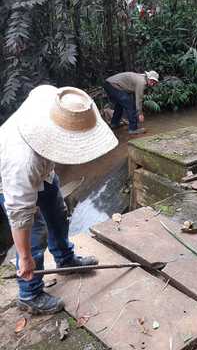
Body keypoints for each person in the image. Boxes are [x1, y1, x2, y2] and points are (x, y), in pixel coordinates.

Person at [0, 85, 118, 314]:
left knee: (58, 213)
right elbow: (19, 215)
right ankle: (29, 293)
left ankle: (65, 260)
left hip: (44, 170)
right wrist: (24, 258)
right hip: (7, 179)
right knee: (35, 232)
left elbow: (39, 91)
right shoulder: (22, 163)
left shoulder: (52, 99)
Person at [103, 70, 159, 135]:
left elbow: (135, 96)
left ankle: (114, 123)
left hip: (109, 84)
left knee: (120, 104)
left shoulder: (141, 78)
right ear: (148, 77)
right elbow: (139, 99)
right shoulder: (141, 82)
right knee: (130, 106)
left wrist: (138, 111)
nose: (152, 84)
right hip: (113, 85)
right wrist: (140, 113)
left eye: (154, 82)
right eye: (152, 81)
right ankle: (133, 129)